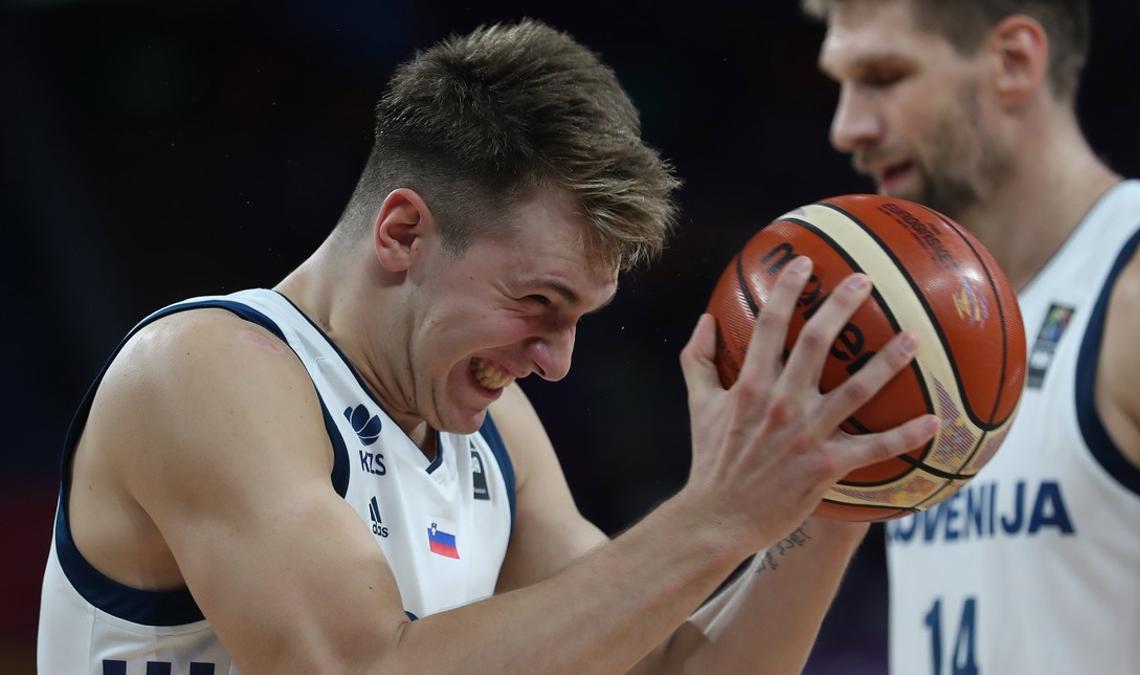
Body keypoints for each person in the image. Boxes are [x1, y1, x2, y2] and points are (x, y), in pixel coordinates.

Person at [37, 19, 939, 674]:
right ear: (402, 232)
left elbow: (666, 667)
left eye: (581, 315)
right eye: (537, 302)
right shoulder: (205, 371)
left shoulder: (491, 427)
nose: (557, 360)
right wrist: (717, 516)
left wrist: (830, 501)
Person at [805, 0, 1140, 672]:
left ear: (1014, 61)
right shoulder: (909, 330)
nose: (847, 128)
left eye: (884, 76)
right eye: (840, 84)